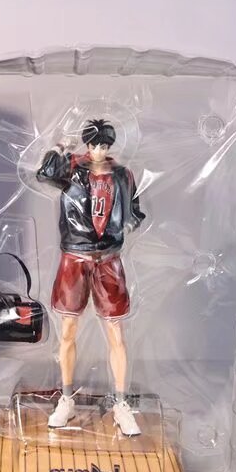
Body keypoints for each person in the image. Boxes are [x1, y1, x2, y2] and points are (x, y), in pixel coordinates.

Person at [36, 118, 146, 434]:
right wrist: (60, 146)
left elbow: (135, 210)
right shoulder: (73, 170)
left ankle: (121, 404)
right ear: (87, 144)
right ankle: (66, 398)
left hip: (108, 259)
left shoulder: (122, 175)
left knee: (116, 334)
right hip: (75, 257)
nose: (98, 150)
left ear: (110, 146)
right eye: (94, 144)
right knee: (68, 330)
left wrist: (123, 226)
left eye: (104, 145)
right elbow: (45, 174)